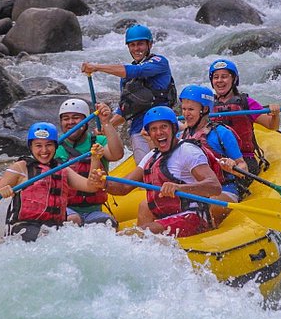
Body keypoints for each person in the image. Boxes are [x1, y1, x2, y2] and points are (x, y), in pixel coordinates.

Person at [103, 106, 222, 237]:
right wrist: (103, 183)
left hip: (192, 218)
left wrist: (180, 188)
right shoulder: (152, 156)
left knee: (133, 235)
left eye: (163, 127)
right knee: (145, 208)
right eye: (153, 129)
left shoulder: (188, 151)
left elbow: (214, 187)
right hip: (167, 216)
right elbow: (124, 187)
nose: (159, 132)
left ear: (173, 129)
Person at [0, 122, 105, 242]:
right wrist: (0, 192)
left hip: (54, 228)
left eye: (49, 145)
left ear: (55, 146)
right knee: (44, 236)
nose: (44, 150)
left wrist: (95, 159)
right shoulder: (20, 167)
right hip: (24, 228)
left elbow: (91, 187)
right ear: (31, 147)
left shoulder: (62, 170)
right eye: (38, 145)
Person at [81, 24, 177, 164]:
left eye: (140, 44)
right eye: (132, 45)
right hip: (139, 130)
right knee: (147, 171)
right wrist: (107, 126)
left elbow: (137, 71)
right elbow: (124, 110)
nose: (136, 48)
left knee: (169, 168)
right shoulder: (126, 78)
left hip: (162, 127)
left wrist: (97, 67)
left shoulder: (159, 62)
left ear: (149, 44)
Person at [179, 85, 248, 226]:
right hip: (195, 190)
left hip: (224, 190)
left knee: (205, 208)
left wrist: (233, 166)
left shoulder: (221, 134)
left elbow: (243, 167)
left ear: (204, 109)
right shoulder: (182, 136)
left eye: (191, 109)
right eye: (184, 109)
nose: (186, 114)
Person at [55, 98, 124, 228]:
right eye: (65, 118)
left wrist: (106, 122)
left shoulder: (99, 141)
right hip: (65, 209)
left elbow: (117, 154)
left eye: (76, 118)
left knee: (107, 224)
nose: (70, 122)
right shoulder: (55, 147)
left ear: (86, 121)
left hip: (93, 210)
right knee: (72, 220)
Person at [208, 59, 280, 179]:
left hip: (245, 158)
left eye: (224, 76)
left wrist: (275, 114)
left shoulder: (246, 103)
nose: (219, 80)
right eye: (216, 77)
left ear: (234, 79)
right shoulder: (207, 105)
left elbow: (271, 126)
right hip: (216, 158)